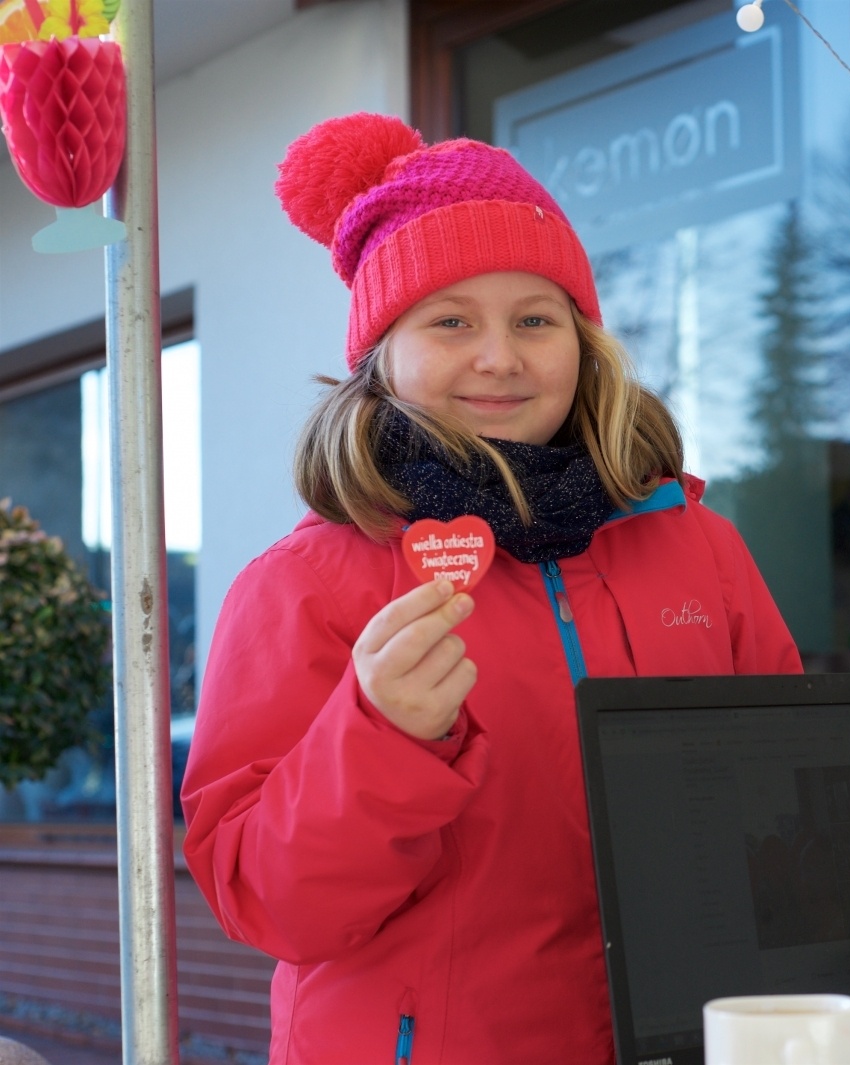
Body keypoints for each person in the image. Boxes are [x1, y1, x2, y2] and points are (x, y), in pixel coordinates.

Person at [181, 112, 802, 1065]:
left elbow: (792, 797)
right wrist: (380, 737)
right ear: (381, 355)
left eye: (535, 319)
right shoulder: (302, 583)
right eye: (451, 320)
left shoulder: (699, 550)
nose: (500, 356)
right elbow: (263, 898)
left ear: (583, 343)